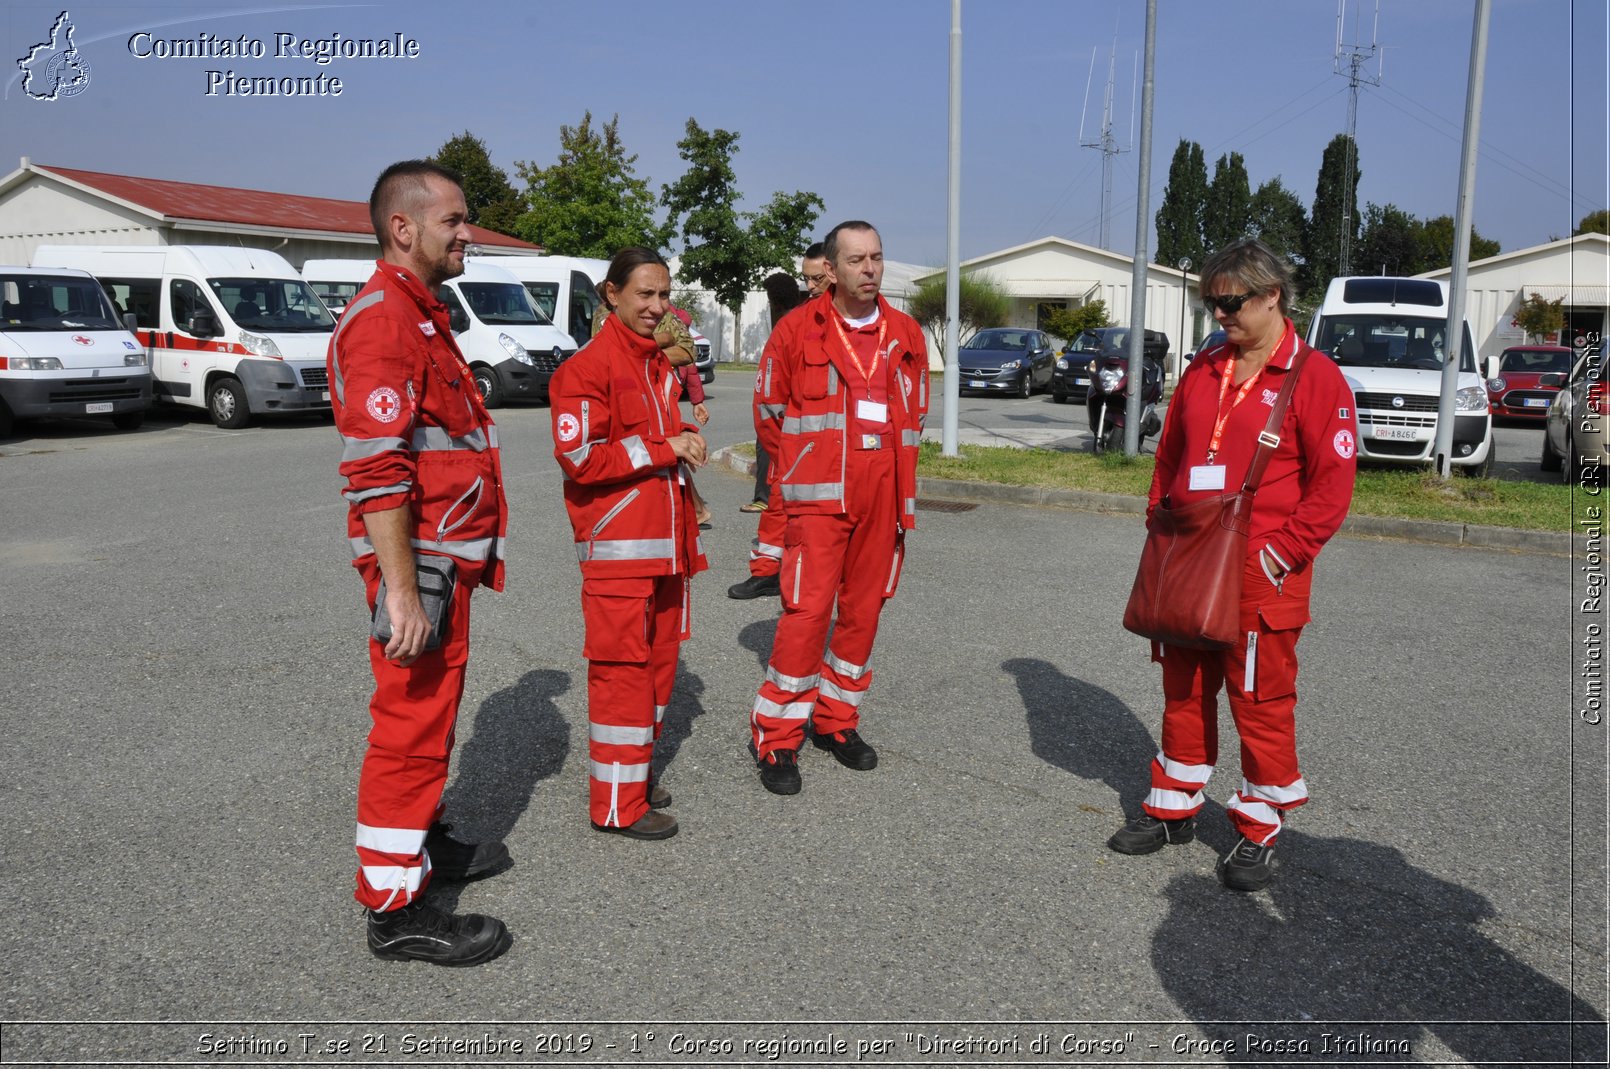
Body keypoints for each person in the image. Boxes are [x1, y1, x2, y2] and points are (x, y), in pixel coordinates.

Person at [1106, 237, 1357, 892]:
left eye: (1232, 301)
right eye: (1212, 302)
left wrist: (1281, 555)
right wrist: (1160, 524)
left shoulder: (1315, 377)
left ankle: (1259, 825)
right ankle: (1174, 807)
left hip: (1259, 575)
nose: (1219, 314)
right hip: (1189, 561)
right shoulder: (1204, 367)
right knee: (1182, 690)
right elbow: (1171, 457)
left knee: (1260, 701)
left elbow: (1332, 488)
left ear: (1273, 295)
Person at [329, 160, 513, 966]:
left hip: (441, 562)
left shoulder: (422, 314)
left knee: (430, 721)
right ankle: (395, 907)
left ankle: (419, 846)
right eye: (454, 220)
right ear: (403, 229)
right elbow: (377, 468)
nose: (466, 232)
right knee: (410, 726)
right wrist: (401, 590)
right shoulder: (383, 321)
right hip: (421, 570)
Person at [747, 221, 929, 794]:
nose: (870, 269)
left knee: (863, 612)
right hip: (820, 498)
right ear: (832, 267)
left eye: (877, 257)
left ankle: (836, 720)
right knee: (807, 614)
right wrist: (808, 469)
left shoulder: (906, 333)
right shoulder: (799, 330)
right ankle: (776, 738)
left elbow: (915, 413)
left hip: (885, 497)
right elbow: (770, 413)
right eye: (857, 260)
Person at [551, 247, 709, 839]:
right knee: (622, 677)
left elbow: (659, 436)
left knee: (659, 672)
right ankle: (616, 806)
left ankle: (632, 776)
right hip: (620, 556)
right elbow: (580, 459)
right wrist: (664, 447)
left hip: (667, 549)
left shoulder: (658, 365)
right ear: (611, 294)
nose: (657, 307)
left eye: (664, 295)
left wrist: (683, 434)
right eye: (644, 294)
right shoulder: (585, 369)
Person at [728, 243, 830, 600]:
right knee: (779, 504)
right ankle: (768, 571)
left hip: (838, 456)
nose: (813, 286)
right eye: (808, 278)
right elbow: (769, 397)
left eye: (819, 278)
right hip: (794, 446)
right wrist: (786, 449)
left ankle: (800, 573)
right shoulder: (795, 326)